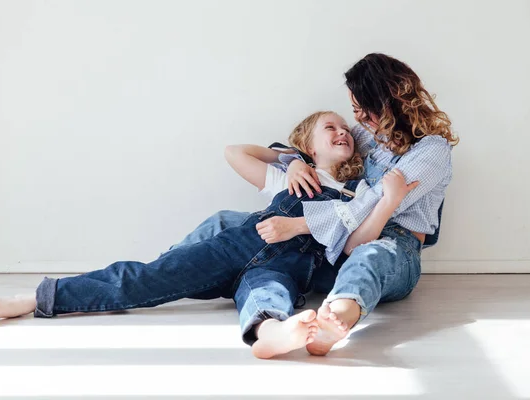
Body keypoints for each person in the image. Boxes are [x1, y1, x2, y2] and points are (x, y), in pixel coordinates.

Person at [0, 110, 414, 359]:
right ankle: (37, 299)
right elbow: (234, 152)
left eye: (345, 130)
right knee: (144, 278)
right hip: (237, 246)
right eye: (329, 128)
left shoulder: (356, 192)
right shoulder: (290, 176)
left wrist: (385, 202)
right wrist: (291, 158)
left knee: (268, 297)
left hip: (288, 266)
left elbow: (357, 240)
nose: (342, 133)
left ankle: (269, 335)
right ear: (310, 144)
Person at [171, 53, 459, 357]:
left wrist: (300, 225)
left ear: (388, 101)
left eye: (363, 109)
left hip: (392, 244)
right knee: (229, 222)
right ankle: (171, 268)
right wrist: (296, 163)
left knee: (370, 255)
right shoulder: (366, 134)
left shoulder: (431, 150)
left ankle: (334, 322)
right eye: (355, 110)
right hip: (334, 240)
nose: (357, 119)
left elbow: (372, 204)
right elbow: (314, 147)